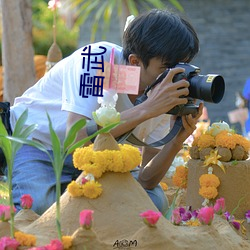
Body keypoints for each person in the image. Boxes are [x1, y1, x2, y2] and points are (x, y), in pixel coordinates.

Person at [6, 9, 202, 215]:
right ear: (135, 62)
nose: (175, 76)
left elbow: (146, 180)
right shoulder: (98, 60)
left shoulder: (164, 89)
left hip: (96, 157)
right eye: (167, 68)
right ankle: (65, 197)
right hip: (37, 143)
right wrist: (147, 108)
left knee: (152, 202)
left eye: (182, 66)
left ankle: (70, 200)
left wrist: (176, 140)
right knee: (39, 208)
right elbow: (76, 139)